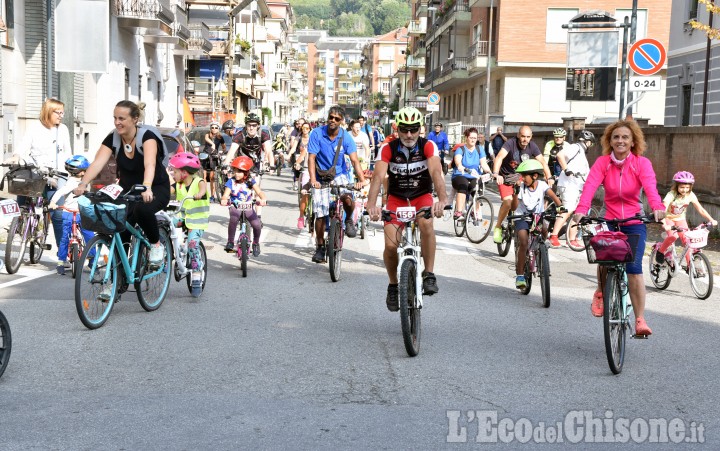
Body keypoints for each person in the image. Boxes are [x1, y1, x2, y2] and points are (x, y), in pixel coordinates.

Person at [572, 120, 666, 336]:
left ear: (633, 141)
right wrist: (581, 209)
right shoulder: (603, 163)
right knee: (603, 259)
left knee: (634, 269)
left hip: (634, 222)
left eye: (625, 137)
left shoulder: (641, 164)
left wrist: (658, 207)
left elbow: (651, 188)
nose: (620, 140)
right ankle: (600, 291)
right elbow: (590, 186)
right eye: (616, 137)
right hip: (610, 220)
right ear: (610, 141)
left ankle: (640, 320)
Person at [366, 107, 448, 312]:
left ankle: (428, 274)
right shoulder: (387, 148)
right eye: (404, 129)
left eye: (413, 129)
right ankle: (393, 285)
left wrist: (443, 199)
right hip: (397, 198)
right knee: (391, 245)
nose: (409, 134)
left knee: (427, 223)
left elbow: (436, 172)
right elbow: (377, 178)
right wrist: (371, 204)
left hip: (421, 197)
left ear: (420, 129)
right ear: (397, 129)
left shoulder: (428, 145)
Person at [74, 100, 171, 266]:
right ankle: (117, 281)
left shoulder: (147, 137)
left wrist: (147, 186)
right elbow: (98, 163)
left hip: (155, 187)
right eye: (115, 118)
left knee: (143, 210)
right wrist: (83, 184)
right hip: (128, 189)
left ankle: (155, 244)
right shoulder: (114, 138)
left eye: (122, 118)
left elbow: (150, 164)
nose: (117, 122)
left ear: (134, 119)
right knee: (119, 227)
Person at [12, 98, 74, 254]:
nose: (61, 115)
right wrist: (16, 155)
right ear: (48, 112)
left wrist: (73, 172)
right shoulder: (34, 128)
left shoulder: (63, 129)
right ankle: (20, 227)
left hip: (57, 174)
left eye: (62, 112)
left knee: (57, 214)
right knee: (22, 199)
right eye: (58, 112)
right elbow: (24, 144)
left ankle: (63, 253)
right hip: (36, 172)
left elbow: (68, 153)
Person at [307, 106, 367, 263]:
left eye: (337, 118)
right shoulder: (317, 133)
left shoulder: (345, 137)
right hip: (320, 177)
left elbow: (354, 160)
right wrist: (313, 180)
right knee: (320, 213)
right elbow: (311, 158)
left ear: (342, 121)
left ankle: (348, 220)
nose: (332, 120)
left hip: (338, 175)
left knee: (347, 197)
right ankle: (320, 247)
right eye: (330, 117)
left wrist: (361, 180)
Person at [492, 126, 553, 244]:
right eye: (523, 136)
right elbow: (499, 157)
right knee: (508, 202)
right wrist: (495, 173)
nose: (525, 139)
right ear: (518, 135)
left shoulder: (532, 146)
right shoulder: (510, 143)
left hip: (520, 178)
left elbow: (543, 162)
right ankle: (498, 227)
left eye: (528, 137)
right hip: (506, 178)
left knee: (530, 199)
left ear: (531, 137)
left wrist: (549, 177)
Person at [510, 159, 563, 289]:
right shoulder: (521, 187)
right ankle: (520, 275)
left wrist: (560, 207)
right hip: (522, 217)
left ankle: (540, 249)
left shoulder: (543, 185)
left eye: (524, 176)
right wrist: (516, 193)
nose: (522, 178)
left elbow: (554, 197)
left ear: (534, 176)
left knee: (544, 230)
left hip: (537, 217)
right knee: (523, 241)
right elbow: (513, 207)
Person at [654, 171, 717, 267]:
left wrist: (711, 219)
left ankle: (689, 266)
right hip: (669, 218)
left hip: (680, 219)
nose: (685, 190)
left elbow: (700, 209)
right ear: (676, 186)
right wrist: (664, 224)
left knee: (687, 241)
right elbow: (663, 208)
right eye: (682, 187)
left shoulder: (690, 195)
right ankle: (660, 251)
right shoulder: (671, 194)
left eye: (687, 187)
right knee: (673, 236)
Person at [168, 152, 209, 297]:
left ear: (184, 173)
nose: (173, 173)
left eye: (175, 171)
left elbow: (203, 188)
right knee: (165, 223)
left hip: (197, 219)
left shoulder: (199, 182)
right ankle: (166, 251)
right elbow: (168, 190)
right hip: (182, 216)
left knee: (192, 244)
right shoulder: (178, 184)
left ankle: (197, 275)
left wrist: (200, 194)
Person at [47, 155, 94, 275]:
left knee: (68, 238)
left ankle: (90, 261)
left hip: (78, 213)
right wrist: (52, 202)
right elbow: (60, 192)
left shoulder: (86, 181)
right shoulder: (72, 182)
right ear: (82, 172)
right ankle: (62, 262)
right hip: (71, 213)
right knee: (87, 236)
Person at [548, 130, 596, 248]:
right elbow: (560, 156)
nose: (591, 145)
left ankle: (572, 239)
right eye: (591, 142)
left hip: (577, 186)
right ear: (587, 141)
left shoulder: (582, 153)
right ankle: (553, 236)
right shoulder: (575, 147)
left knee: (577, 212)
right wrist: (566, 170)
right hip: (569, 185)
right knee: (568, 210)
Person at [224, 113, 272, 217]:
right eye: (249, 125)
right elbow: (232, 151)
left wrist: (271, 164)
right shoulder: (239, 135)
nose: (251, 127)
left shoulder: (263, 134)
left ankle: (258, 216)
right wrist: (226, 164)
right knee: (236, 187)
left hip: (255, 165)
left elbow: (268, 151)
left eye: (254, 125)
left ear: (258, 125)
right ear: (246, 125)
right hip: (241, 165)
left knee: (256, 189)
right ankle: (235, 208)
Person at [221, 156, 267, 257]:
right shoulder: (231, 182)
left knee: (256, 224)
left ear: (246, 173)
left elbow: (259, 191)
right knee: (234, 218)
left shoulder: (250, 181)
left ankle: (255, 243)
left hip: (248, 206)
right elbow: (226, 194)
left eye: (239, 171)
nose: (236, 174)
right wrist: (224, 199)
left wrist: (263, 198)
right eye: (235, 171)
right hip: (235, 206)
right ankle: (230, 241)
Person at [450, 128, 492, 219]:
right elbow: (457, 159)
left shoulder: (479, 149)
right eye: (471, 137)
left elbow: (483, 163)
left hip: (474, 175)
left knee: (477, 187)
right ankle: (459, 212)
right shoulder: (461, 149)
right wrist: (460, 165)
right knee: (463, 185)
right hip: (460, 174)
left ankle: (475, 211)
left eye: (475, 138)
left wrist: (490, 172)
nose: (473, 140)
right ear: (466, 138)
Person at [290, 122, 312, 229]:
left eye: (307, 128)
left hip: (318, 173)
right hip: (307, 170)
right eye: (304, 128)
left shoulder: (320, 145)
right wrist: (297, 163)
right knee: (305, 193)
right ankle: (301, 216)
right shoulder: (302, 142)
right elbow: (302, 156)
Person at [203, 121, 225, 202]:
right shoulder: (207, 134)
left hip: (214, 157)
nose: (214, 129)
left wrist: (221, 152)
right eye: (212, 127)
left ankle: (212, 196)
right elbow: (206, 139)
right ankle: (204, 194)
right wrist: (212, 144)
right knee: (204, 177)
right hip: (205, 156)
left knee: (212, 178)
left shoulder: (220, 137)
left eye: (216, 127)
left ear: (218, 128)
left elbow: (224, 147)